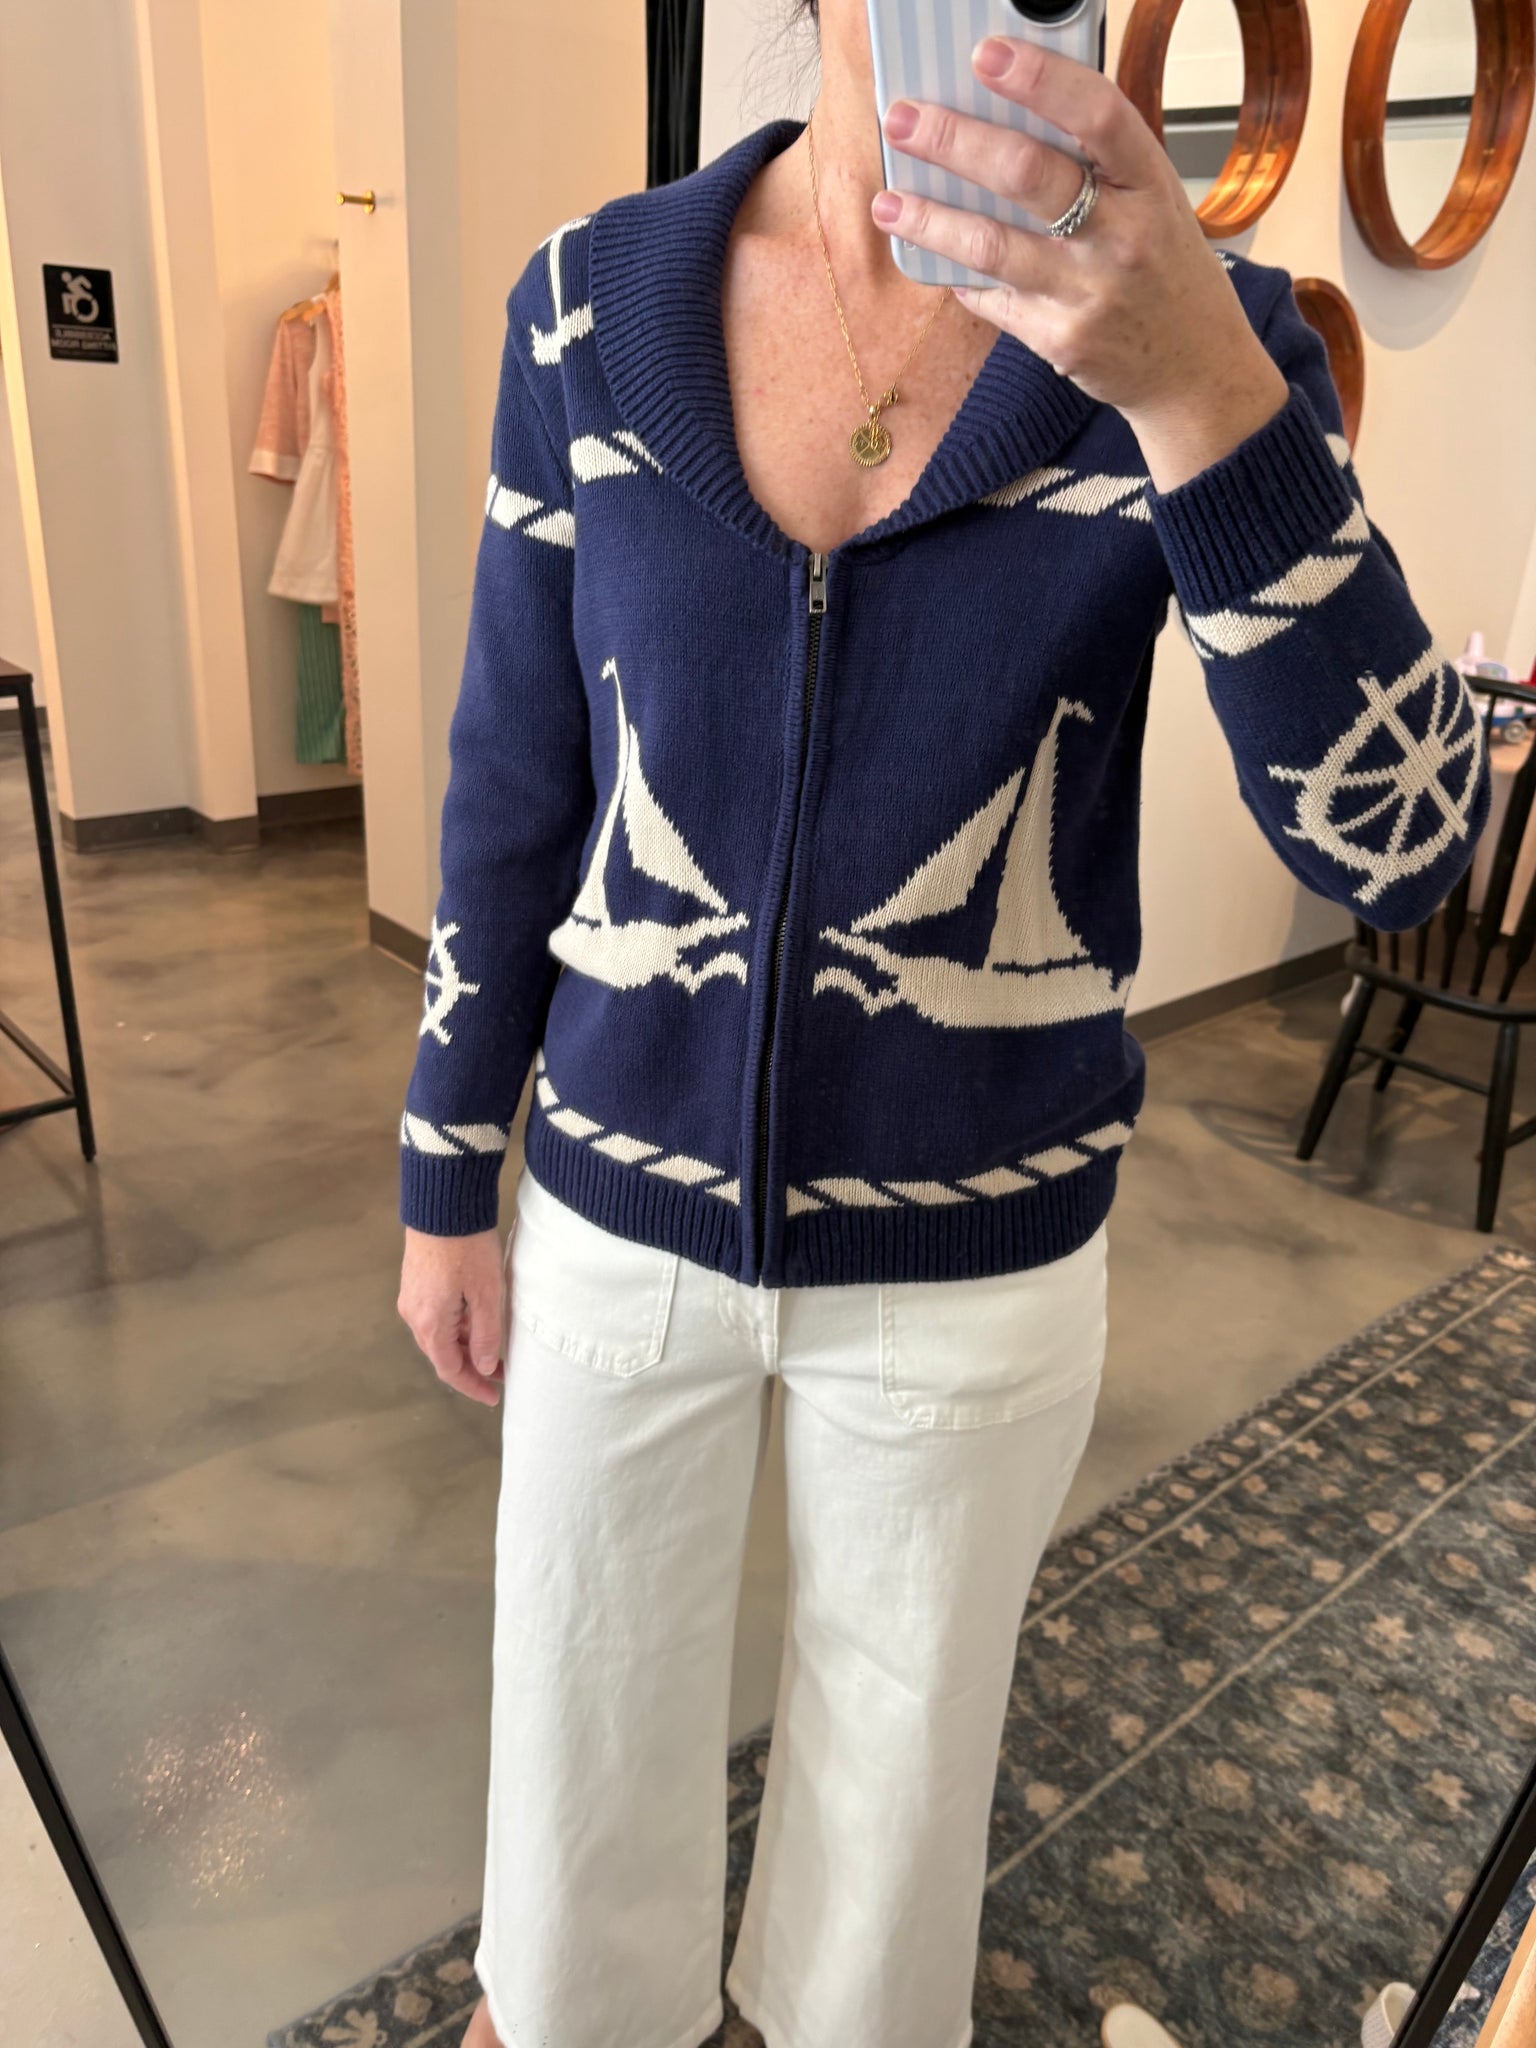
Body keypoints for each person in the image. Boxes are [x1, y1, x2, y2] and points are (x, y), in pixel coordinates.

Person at [395, 3, 1491, 2044]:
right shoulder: (588, 304)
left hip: (976, 1247)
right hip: (619, 1207)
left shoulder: (1196, 328)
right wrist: (446, 1162)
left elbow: (1404, 849)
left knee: (890, 1841)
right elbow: (515, 773)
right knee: (572, 1768)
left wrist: (1202, 389)